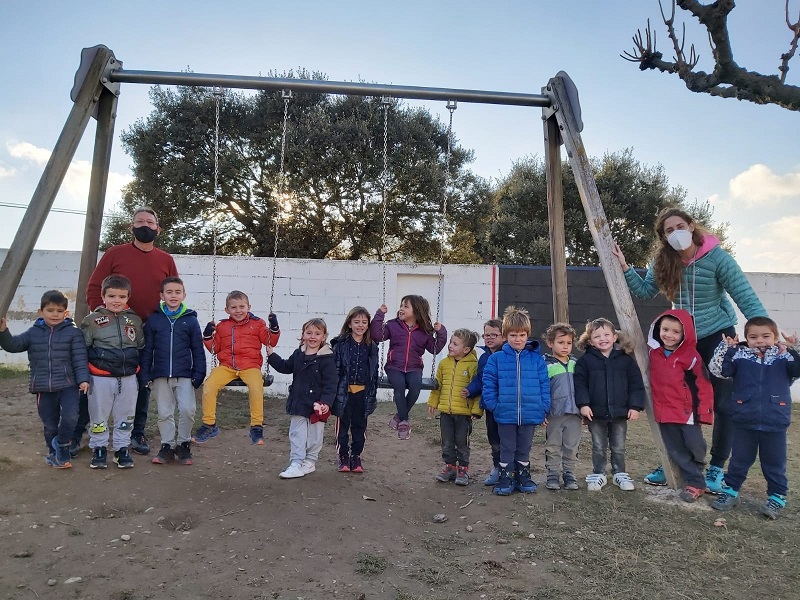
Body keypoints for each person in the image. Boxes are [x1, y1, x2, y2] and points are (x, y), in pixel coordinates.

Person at [612, 207, 766, 493]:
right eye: (669, 231)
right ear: (663, 237)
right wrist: (625, 268)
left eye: (679, 227)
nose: (676, 233)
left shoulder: (718, 258)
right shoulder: (663, 260)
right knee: (676, 401)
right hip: (681, 339)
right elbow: (646, 291)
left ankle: (716, 467)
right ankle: (678, 462)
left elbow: (744, 294)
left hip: (717, 335)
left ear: (692, 226)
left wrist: (763, 332)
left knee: (723, 404)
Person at [75, 206, 178, 457]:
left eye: (150, 222)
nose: (145, 225)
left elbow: (172, 291)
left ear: (158, 229)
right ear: (131, 227)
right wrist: (102, 318)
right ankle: (79, 432)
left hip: (145, 332)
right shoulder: (115, 253)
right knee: (94, 382)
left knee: (141, 383)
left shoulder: (166, 259)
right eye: (140, 221)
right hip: (108, 332)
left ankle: (136, 432)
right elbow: (94, 286)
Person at [709, 317, 800, 519]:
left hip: (775, 420)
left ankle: (777, 497)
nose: (760, 340)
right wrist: (727, 349)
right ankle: (730, 491)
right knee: (739, 460)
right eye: (753, 337)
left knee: (774, 463)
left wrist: (795, 348)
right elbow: (719, 371)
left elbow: (797, 369)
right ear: (747, 338)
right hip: (744, 419)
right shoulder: (740, 356)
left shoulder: (784, 357)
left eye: (766, 336)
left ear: (775, 337)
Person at [0, 290, 89, 468]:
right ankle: (54, 453)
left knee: (71, 417)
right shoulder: (33, 333)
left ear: (66, 313)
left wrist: (83, 380)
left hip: (68, 385)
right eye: (50, 310)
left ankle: (62, 446)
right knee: (50, 425)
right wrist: (3, 332)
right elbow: (13, 345)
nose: (55, 314)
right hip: (43, 386)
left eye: (59, 311)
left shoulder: (73, 333)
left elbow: (80, 358)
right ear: (41, 312)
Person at [193, 291, 280, 446]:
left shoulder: (257, 324)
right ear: (227, 310)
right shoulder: (222, 326)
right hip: (227, 366)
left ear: (249, 307)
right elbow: (214, 349)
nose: (238, 310)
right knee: (209, 386)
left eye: (242, 307)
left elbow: (270, 341)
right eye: (233, 307)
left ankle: (256, 426)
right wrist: (207, 336)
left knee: (256, 387)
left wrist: (274, 327)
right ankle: (209, 424)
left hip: (250, 366)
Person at [481, 306, 550, 496]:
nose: (517, 339)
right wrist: (494, 406)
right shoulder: (496, 359)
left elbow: (544, 384)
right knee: (507, 447)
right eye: (513, 335)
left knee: (524, 447)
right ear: (505, 336)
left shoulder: (536, 360)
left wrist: (543, 407)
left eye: (521, 335)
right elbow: (489, 384)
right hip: (505, 413)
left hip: (530, 412)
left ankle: (523, 476)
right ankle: (506, 477)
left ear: (527, 335)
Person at [648, 309, 714, 503]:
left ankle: (697, 467)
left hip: (687, 412)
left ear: (685, 334)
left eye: (676, 332)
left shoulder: (692, 357)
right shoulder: (653, 353)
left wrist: (705, 412)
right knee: (676, 449)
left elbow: (703, 385)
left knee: (695, 445)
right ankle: (696, 483)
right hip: (664, 411)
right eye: (665, 329)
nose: (669, 335)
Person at [140, 277, 207, 466]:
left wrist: (199, 373)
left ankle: (184, 444)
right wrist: (146, 374)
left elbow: (197, 349)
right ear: (162, 295)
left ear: (184, 295)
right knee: (164, 412)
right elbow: (147, 349)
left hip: (185, 374)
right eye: (169, 292)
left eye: (178, 292)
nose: (173, 296)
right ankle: (167, 446)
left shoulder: (190, 320)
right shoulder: (154, 319)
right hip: (161, 374)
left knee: (187, 410)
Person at [80, 275, 145, 469]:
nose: (117, 300)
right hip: (100, 378)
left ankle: (121, 449)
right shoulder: (92, 320)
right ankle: (99, 448)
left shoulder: (135, 320)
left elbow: (140, 346)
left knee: (126, 415)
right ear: (103, 296)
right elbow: (82, 349)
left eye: (122, 296)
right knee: (98, 415)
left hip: (128, 377)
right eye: (111, 296)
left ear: (128, 297)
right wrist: (83, 376)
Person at [574, 318, 645, 492]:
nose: (602, 339)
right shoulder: (585, 361)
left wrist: (635, 406)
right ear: (590, 341)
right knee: (598, 446)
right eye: (597, 336)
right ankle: (599, 473)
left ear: (614, 337)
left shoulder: (626, 360)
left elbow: (636, 384)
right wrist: (583, 404)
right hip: (595, 413)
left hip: (620, 412)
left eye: (606, 335)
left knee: (618, 446)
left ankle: (619, 473)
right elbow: (580, 384)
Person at [267, 318, 337, 479]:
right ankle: (296, 462)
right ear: (303, 335)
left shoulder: (327, 358)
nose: (312, 337)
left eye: (317, 333)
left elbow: (331, 383)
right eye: (309, 333)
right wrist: (272, 355)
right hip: (298, 402)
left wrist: (326, 403)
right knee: (297, 434)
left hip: (317, 405)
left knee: (314, 436)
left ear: (324, 337)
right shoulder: (298, 354)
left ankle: (310, 461)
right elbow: (286, 366)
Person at [371, 295, 447, 440]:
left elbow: (435, 348)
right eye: (401, 305)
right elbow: (377, 336)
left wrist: (441, 332)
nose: (401, 309)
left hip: (414, 367)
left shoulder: (424, 331)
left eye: (406, 306)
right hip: (394, 366)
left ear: (417, 310)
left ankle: (399, 416)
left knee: (415, 388)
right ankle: (404, 421)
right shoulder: (393, 325)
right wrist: (380, 315)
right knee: (399, 386)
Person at [428, 329, 482, 486]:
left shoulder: (473, 366)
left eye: (455, 344)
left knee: (462, 442)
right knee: (447, 441)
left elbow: (478, 390)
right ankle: (450, 467)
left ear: (466, 349)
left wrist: (476, 410)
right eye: (451, 342)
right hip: (446, 411)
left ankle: (463, 469)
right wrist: (433, 403)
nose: (450, 346)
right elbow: (437, 386)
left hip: (464, 414)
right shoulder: (444, 364)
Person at [331, 306, 379, 474]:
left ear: (368, 325)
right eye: (356, 322)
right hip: (344, 392)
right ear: (349, 324)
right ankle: (343, 456)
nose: (360, 325)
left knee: (360, 425)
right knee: (343, 426)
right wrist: (334, 391)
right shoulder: (341, 344)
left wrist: (372, 392)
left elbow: (374, 372)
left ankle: (356, 455)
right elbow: (335, 370)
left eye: (364, 322)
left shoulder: (371, 346)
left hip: (363, 393)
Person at [463, 319, 505, 485]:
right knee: (493, 438)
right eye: (487, 335)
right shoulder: (484, 358)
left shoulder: (508, 355)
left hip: (507, 404)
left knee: (508, 439)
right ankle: (497, 467)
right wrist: (470, 390)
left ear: (503, 336)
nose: (489, 338)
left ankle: (511, 469)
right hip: (491, 406)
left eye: (494, 335)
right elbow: (480, 379)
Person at [543, 322, 581, 491]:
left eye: (569, 343)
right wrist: (543, 411)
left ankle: (569, 473)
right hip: (554, 414)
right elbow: (542, 390)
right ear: (550, 343)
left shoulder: (576, 364)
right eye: (561, 342)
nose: (565, 346)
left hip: (575, 413)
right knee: (553, 445)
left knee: (572, 445)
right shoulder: (545, 365)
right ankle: (552, 474)